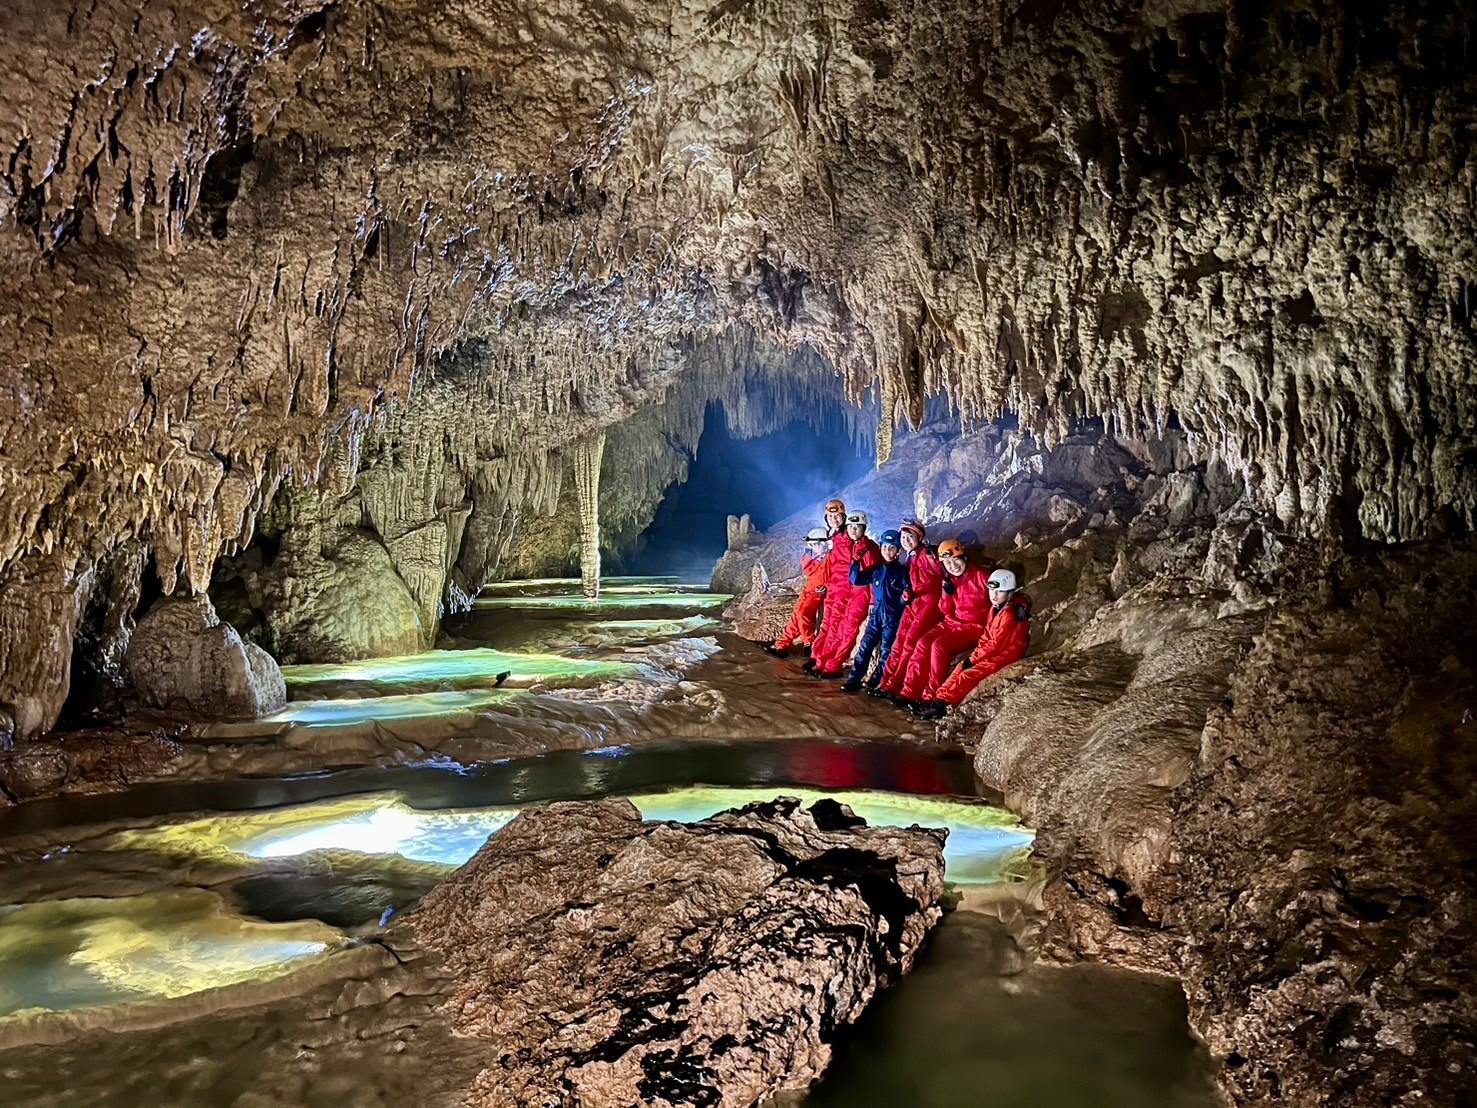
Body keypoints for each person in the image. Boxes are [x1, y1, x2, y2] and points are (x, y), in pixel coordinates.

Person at [913, 570, 1030, 719]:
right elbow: (987, 636)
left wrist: (974, 659)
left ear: (1009, 593)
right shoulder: (995, 609)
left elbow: (996, 644)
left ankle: (944, 704)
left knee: (969, 674)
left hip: (1007, 654)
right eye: (992, 590)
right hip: (995, 650)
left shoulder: (1009, 613)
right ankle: (937, 699)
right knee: (960, 667)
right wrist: (975, 655)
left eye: (999, 592)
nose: (994, 595)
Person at [892, 539, 992, 709]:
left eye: (956, 560)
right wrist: (946, 593)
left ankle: (929, 696)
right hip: (952, 622)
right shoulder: (951, 580)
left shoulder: (982, 576)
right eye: (947, 563)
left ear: (964, 557)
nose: (953, 566)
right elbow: (945, 610)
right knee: (922, 643)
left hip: (974, 626)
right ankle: (909, 692)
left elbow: (1002, 596)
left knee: (939, 646)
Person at [806, 510, 882, 677]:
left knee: (847, 629)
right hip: (843, 591)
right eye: (851, 527)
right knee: (832, 625)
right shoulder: (843, 543)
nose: (854, 530)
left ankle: (834, 664)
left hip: (860, 594)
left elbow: (873, 578)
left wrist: (871, 602)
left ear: (864, 528)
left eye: (857, 527)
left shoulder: (870, 548)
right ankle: (821, 660)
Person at [873, 520, 943, 699]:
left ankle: (898, 687)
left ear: (918, 538)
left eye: (910, 537)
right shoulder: (909, 557)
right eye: (903, 537)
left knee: (910, 642)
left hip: (928, 602)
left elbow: (940, 570)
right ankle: (885, 682)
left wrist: (933, 556)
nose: (906, 540)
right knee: (898, 642)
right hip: (913, 602)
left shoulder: (926, 554)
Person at [841, 529, 909, 692]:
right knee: (865, 646)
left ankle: (876, 680)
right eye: (885, 547)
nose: (887, 551)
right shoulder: (876, 570)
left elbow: (907, 593)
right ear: (880, 548)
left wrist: (904, 598)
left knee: (886, 649)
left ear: (898, 551)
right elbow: (856, 579)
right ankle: (854, 679)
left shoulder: (901, 572)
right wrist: (856, 562)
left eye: (892, 548)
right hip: (876, 616)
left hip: (892, 617)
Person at [764, 528, 831, 657]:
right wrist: (808, 554)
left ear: (822, 544)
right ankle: (781, 646)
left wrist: (827, 587)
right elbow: (808, 570)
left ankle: (809, 643)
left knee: (802, 614)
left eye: (813, 545)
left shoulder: (830, 558)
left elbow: (835, 575)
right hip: (810, 589)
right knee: (795, 618)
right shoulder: (819, 558)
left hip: (817, 592)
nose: (812, 548)